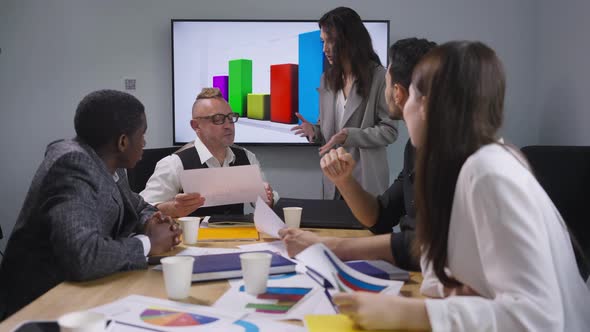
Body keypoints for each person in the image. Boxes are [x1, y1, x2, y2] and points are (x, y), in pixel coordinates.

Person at [332, 41, 590, 331]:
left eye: (411, 95)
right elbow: (438, 273)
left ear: (425, 105)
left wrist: (414, 314)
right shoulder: (462, 165)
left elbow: (540, 318)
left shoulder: (488, 173)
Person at [0, 90, 182, 319]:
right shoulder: (72, 165)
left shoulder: (109, 161)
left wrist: (154, 221)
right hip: (43, 304)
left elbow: (137, 205)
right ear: (123, 142)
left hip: (85, 290)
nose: (145, 142)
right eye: (143, 134)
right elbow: (84, 256)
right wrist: (149, 242)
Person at [280, 38, 436, 271]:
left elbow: (426, 245)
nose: (325, 47)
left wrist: (331, 246)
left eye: (386, 83)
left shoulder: (452, 156)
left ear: (397, 93)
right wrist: (344, 180)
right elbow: (381, 216)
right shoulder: (415, 149)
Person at [291, 7, 398, 199]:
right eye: (323, 42)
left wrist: (350, 136)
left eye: (330, 41)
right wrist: (313, 131)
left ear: (349, 40)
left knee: (366, 228)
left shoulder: (379, 76)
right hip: (333, 179)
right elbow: (328, 129)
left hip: (365, 179)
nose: (325, 49)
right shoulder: (327, 79)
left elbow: (389, 131)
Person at [141, 87, 276, 218]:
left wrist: (267, 198)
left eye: (230, 118)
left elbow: (264, 202)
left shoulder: (247, 157)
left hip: (239, 237)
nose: (228, 125)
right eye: (218, 119)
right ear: (196, 126)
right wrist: (174, 208)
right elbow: (144, 209)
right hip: (194, 239)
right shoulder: (174, 164)